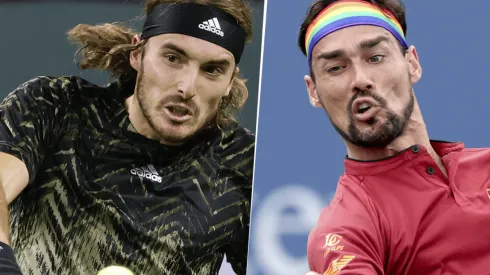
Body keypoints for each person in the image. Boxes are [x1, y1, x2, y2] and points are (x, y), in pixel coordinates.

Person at [0, 0, 256, 274]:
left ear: (230, 82)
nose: (187, 87)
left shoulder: (243, 163)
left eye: (212, 70)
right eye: (172, 58)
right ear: (138, 53)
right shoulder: (55, 105)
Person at [296, 0, 490, 274]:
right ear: (313, 91)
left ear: (412, 64)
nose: (360, 79)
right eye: (336, 68)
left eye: (375, 58)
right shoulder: (346, 230)